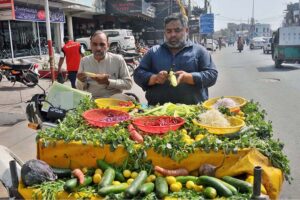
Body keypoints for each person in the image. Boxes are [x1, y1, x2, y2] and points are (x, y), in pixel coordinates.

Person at [133, 13, 218, 105]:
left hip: (192, 112)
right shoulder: (153, 52)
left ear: (186, 30)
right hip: (157, 113)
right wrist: (155, 78)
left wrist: (189, 77)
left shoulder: (199, 51)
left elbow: (212, 75)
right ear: (164, 33)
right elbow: (138, 74)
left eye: (177, 30)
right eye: (169, 31)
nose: (173, 34)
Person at [76, 31, 132, 99]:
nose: (98, 48)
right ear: (90, 45)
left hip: (113, 99)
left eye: (102, 44)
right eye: (95, 44)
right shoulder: (84, 61)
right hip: (93, 99)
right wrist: (81, 81)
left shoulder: (118, 59)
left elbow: (128, 84)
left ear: (108, 46)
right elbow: (81, 88)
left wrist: (108, 82)